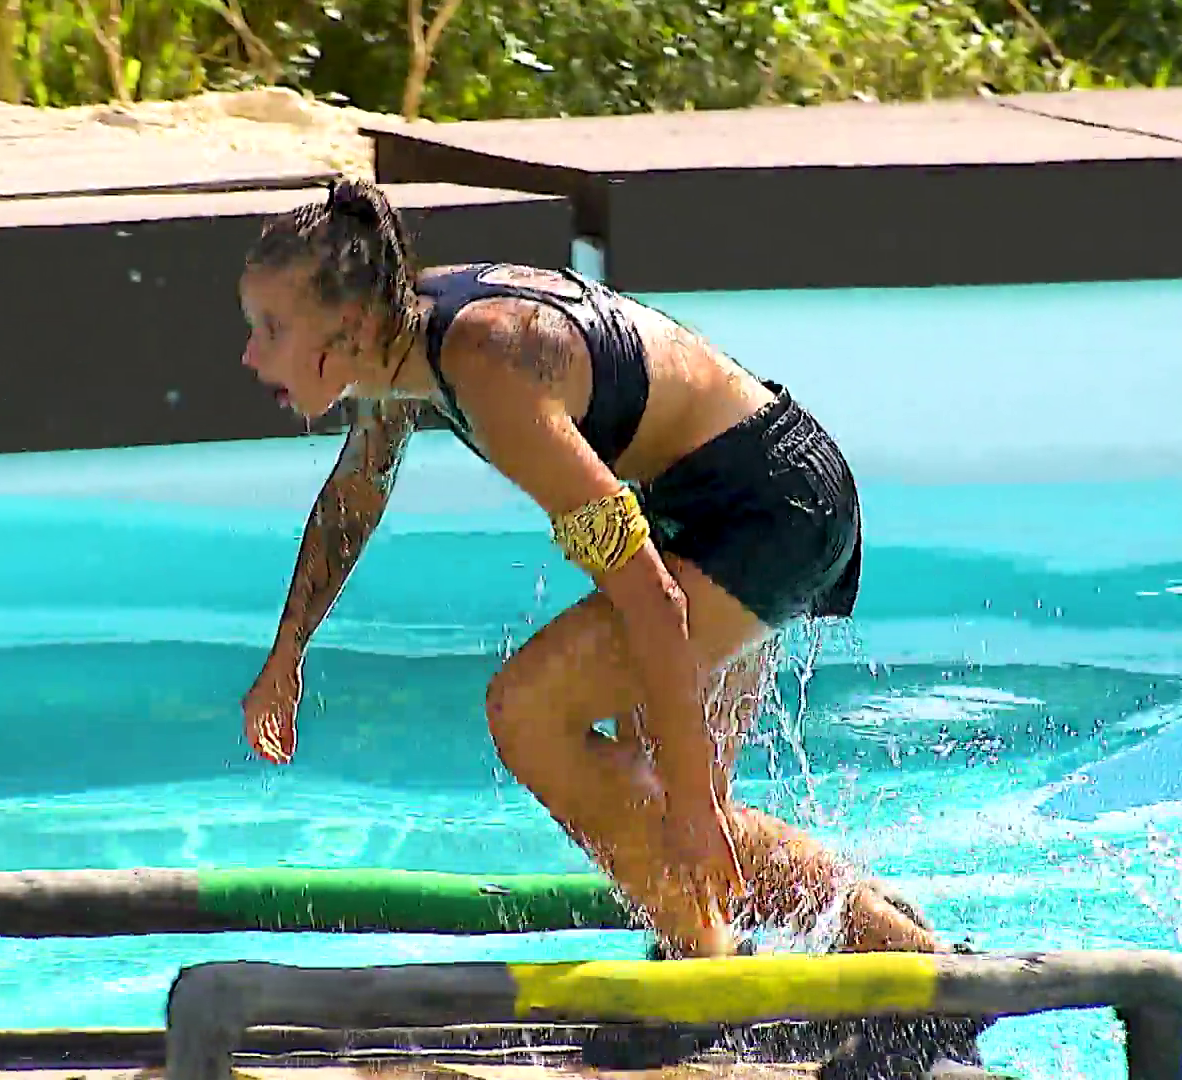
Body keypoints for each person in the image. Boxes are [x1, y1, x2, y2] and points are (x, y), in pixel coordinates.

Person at [235, 177, 944, 960]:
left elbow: (652, 598)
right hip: (740, 495)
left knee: (534, 715)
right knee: (644, 790)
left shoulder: (486, 366)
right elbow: (356, 493)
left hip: (768, 509)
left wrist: (691, 801)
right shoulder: (402, 340)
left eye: (272, 329)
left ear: (353, 323)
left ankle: (878, 962)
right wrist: (288, 650)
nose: (250, 355)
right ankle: (792, 943)